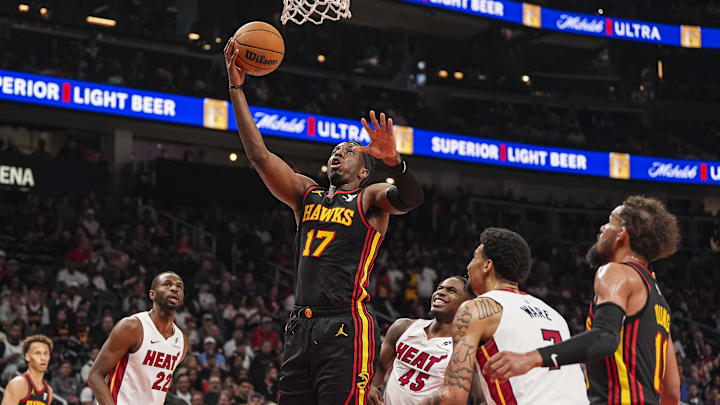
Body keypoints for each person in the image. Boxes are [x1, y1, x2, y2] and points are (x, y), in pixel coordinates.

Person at [223, 38, 424, 405]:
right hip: (301, 324)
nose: (339, 153)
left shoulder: (369, 198)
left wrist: (396, 163)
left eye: (348, 151)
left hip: (346, 323)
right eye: (335, 150)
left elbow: (411, 199)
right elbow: (258, 155)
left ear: (363, 170)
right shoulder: (306, 194)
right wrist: (236, 88)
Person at [483, 197, 682, 405]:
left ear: (622, 234)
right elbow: (673, 390)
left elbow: (605, 337)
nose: (602, 228)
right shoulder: (660, 303)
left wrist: (530, 358)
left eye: (610, 221)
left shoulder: (616, 272)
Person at [419, 228, 589, 405]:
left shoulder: (476, 308)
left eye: (474, 257)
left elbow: (453, 397)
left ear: (487, 265)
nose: (468, 267)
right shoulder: (554, 314)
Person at [368, 277, 479, 405]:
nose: (441, 292)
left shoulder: (464, 349)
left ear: (466, 304)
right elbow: (380, 366)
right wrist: (372, 386)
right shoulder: (402, 327)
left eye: (451, 291)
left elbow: (478, 399)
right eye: (439, 288)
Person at [88, 271, 189, 405]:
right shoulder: (133, 327)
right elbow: (95, 376)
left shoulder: (182, 342)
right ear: (152, 294)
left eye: (179, 287)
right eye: (167, 284)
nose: (174, 288)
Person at [1, 335, 53, 405]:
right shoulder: (18, 384)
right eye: (37, 353)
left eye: (46, 354)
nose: (43, 358)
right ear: (27, 356)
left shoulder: (49, 391)